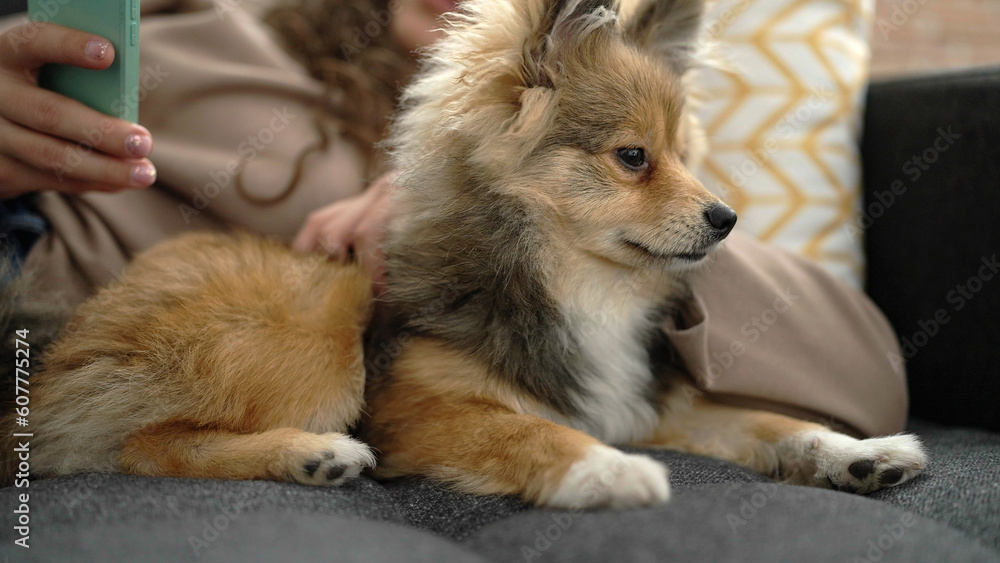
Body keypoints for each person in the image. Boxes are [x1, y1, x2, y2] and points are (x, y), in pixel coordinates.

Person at [0, 0, 908, 438]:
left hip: (238, 414)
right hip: (63, 340)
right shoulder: (215, 28)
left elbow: (869, 378)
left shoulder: (608, 137)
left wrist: (619, 217)